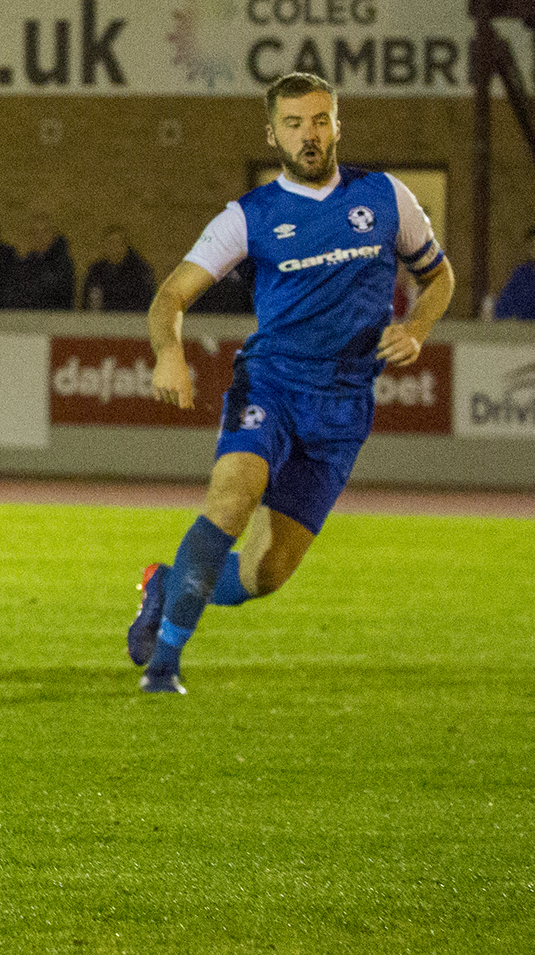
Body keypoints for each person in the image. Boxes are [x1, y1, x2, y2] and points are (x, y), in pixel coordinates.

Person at [128, 72, 454, 695]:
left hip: (342, 410)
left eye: (321, 121)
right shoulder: (249, 217)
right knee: (231, 500)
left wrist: (417, 328)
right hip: (270, 388)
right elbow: (170, 295)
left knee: (266, 572)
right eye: (295, 124)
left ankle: (167, 583)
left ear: (338, 124)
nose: (310, 136)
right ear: (272, 134)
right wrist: (168, 353)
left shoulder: (386, 197)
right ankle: (164, 665)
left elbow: (439, 278)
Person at [5, 214, 75, 310]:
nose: (40, 237)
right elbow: (12, 295)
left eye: (45, 232)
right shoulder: (23, 262)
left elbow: (51, 293)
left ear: (53, 235)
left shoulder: (62, 263)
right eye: (35, 232)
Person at [81, 224, 157, 312]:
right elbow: (87, 302)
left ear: (126, 246)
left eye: (118, 243)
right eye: (110, 243)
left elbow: (146, 300)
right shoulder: (96, 270)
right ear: (104, 246)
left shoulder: (140, 270)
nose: (114, 248)